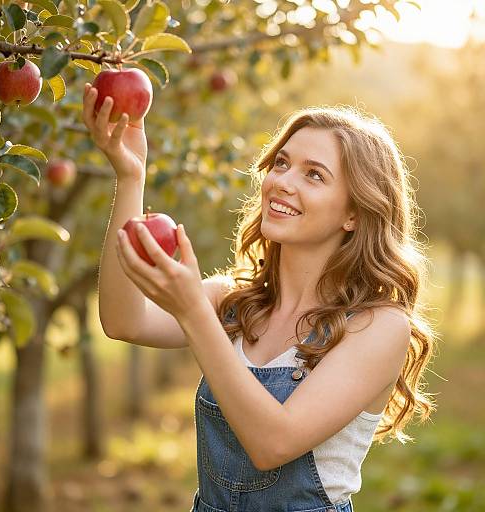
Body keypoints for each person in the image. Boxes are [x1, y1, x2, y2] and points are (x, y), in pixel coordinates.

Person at [84, 83, 438, 512]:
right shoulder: (237, 301)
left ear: (354, 214)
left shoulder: (376, 327)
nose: (282, 182)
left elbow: (274, 443)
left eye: (314, 174)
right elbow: (124, 321)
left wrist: (194, 313)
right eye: (282, 163)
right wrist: (131, 174)